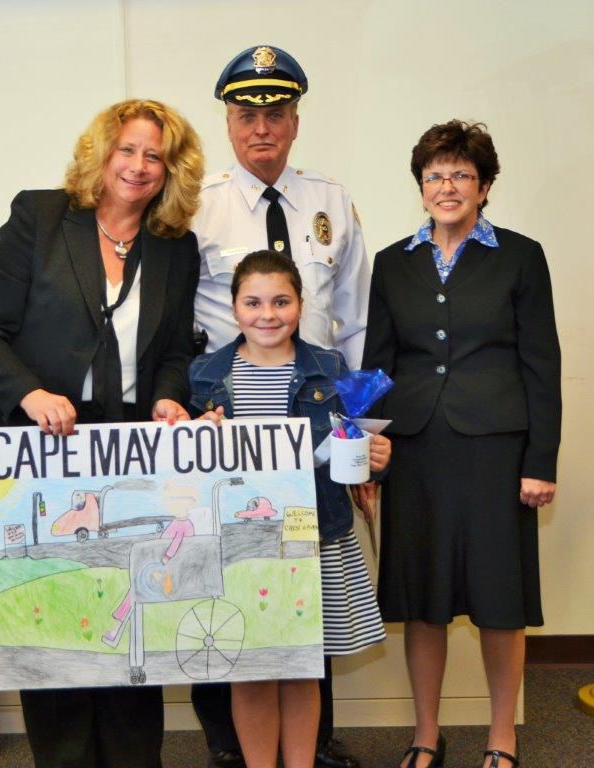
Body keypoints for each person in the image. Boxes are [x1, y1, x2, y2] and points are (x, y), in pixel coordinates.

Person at [0, 98, 204, 768]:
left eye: (155, 155)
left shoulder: (174, 248)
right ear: (101, 153)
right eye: (127, 149)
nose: (139, 165)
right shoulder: (39, 217)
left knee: (132, 616)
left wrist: (167, 399)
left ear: (170, 171)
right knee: (56, 619)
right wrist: (33, 393)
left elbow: (179, 350)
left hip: (128, 447)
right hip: (40, 446)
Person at [192, 44, 372, 768]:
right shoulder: (197, 205)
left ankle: (308, 751)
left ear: (294, 120)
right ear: (228, 125)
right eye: (245, 115)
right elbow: (184, 326)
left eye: (273, 114)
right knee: (231, 602)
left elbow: (355, 320)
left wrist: (358, 436)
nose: (260, 128)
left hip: (317, 429)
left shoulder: (330, 200)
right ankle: (233, 752)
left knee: (310, 611)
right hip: (230, 431)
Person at [361, 120, 561, 768]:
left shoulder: (520, 256)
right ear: (420, 188)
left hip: (495, 455)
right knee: (424, 603)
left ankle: (501, 736)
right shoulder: (392, 263)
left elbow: (540, 366)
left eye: (460, 175)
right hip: (415, 454)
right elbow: (377, 365)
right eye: (434, 175)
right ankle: (426, 734)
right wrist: (362, 454)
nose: (446, 186)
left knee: (498, 602)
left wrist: (539, 462)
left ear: (484, 187)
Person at [190, 250, 389, 768]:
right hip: (239, 542)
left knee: (303, 665)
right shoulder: (205, 375)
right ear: (233, 308)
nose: (267, 314)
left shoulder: (330, 367)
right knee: (251, 666)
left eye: (281, 301)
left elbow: (354, 450)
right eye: (253, 302)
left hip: (314, 536)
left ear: (301, 305)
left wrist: (376, 457)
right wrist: (194, 438)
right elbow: (183, 470)